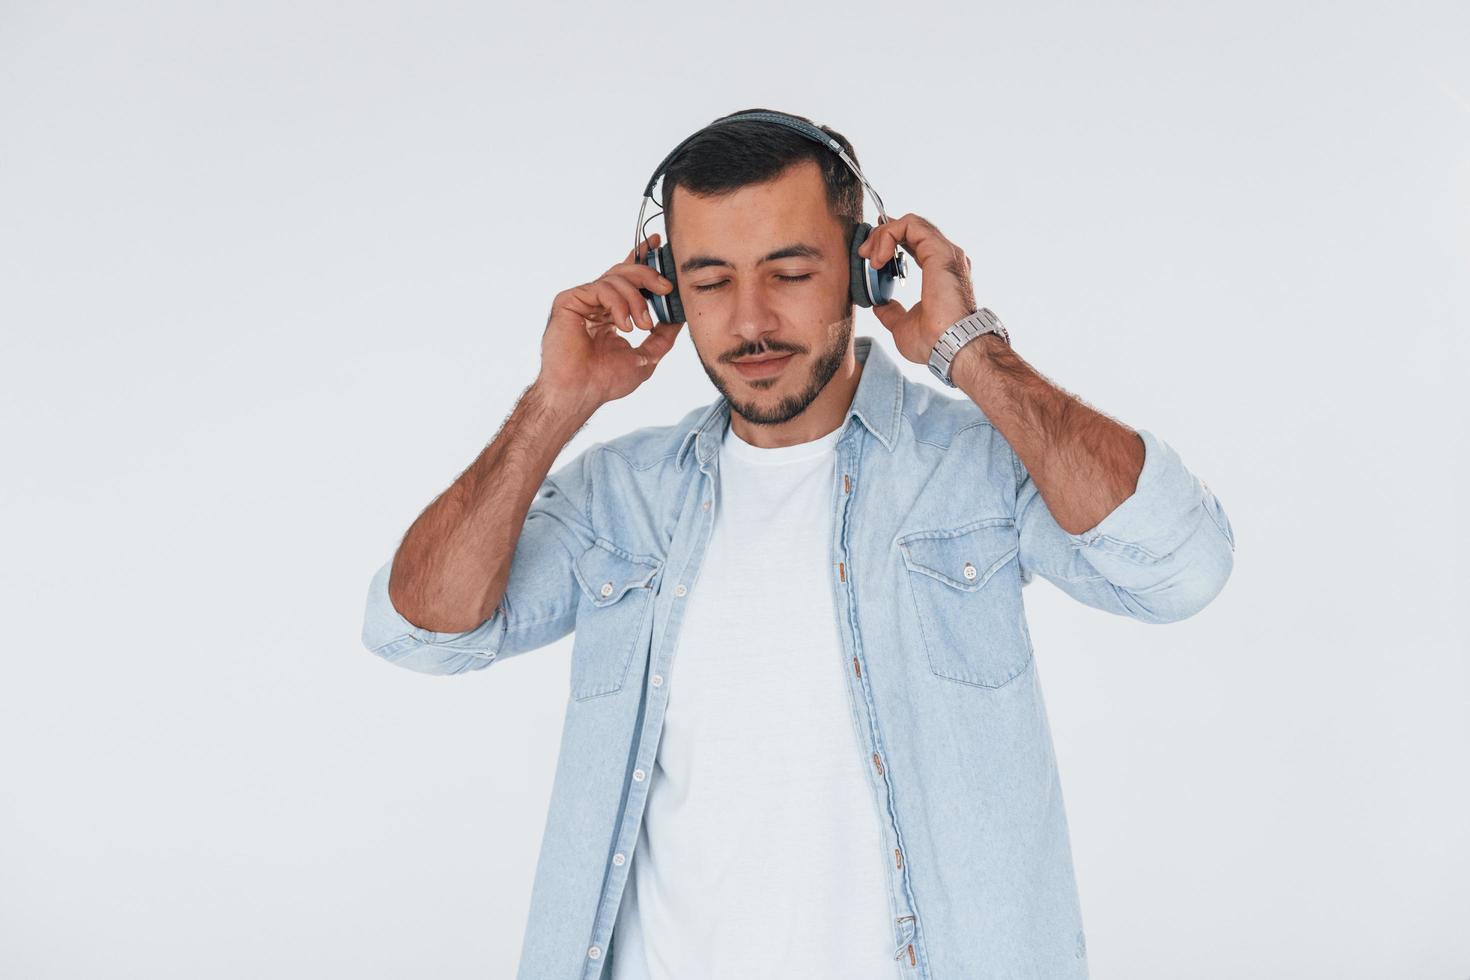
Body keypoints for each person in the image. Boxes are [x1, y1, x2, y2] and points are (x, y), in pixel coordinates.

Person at [360, 107, 1236, 980]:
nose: (748, 322)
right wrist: (555, 403)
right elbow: (421, 633)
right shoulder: (618, 498)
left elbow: (1181, 568)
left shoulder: (979, 467)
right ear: (665, 288)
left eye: (788, 272)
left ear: (868, 272)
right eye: (708, 281)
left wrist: (972, 351)